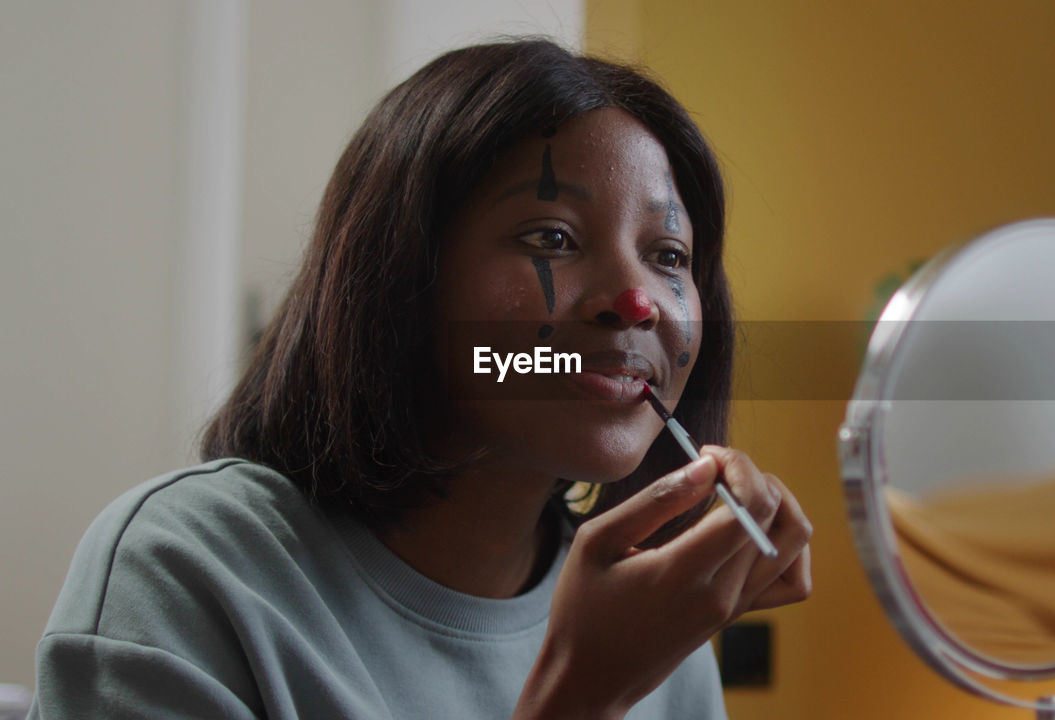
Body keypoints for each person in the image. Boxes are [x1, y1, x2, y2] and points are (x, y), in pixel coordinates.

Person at [28, 39, 812, 719]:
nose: (635, 303)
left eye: (669, 257)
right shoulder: (189, 572)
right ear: (399, 278)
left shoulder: (654, 634)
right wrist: (581, 698)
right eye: (554, 236)